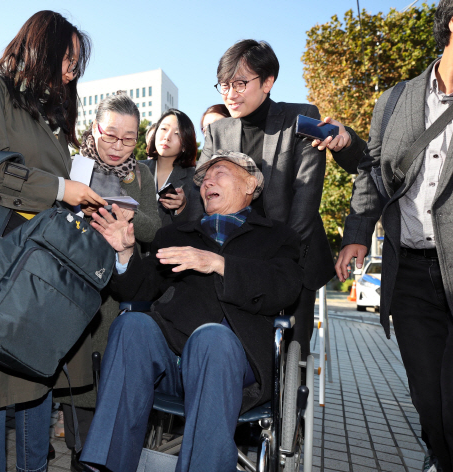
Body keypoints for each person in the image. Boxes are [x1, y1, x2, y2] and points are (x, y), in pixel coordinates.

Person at [0, 11, 105, 472]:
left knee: (36, 381)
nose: (72, 70)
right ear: (42, 48)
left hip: (34, 274)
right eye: (68, 58)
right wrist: (59, 189)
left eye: (77, 63)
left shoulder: (41, 111)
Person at [79, 150, 304, 472]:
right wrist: (126, 251)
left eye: (220, 173)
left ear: (251, 184)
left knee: (212, 338)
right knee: (131, 326)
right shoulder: (174, 234)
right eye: (203, 179)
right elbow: (136, 293)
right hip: (173, 357)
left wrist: (219, 263)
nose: (207, 181)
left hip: (235, 361)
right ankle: (107, 466)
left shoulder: (278, 237)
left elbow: (285, 287)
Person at [336, 2, 453, 469]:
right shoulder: (397, 98)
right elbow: (374, 172)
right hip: (410, 275)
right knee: (429, 404)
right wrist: (357, 232)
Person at [199, 39, 363, 355]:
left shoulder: (302, 118)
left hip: (293, 259)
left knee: (291, 355)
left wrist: (278, 261)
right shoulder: (218, 132)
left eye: (240, 84)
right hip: (234, 260)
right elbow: (203, 194)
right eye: (223, 85)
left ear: (268, 81)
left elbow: (306, 193)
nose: (230, 94)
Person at [56, 91, 161, 471]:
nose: (118, 146)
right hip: (73, 287)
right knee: (77, 390)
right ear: (95, 127)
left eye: (129, 138)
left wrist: (120, 214)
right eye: (111, 134)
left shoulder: (142, 173)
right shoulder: (74, 166)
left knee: (114, 392)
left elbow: (154, 227)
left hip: (118, 296)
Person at [141, 108, 203, 226]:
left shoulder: (195, 178)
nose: (167, 137)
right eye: (164, 129)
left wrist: (181, 208)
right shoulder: (136, 169)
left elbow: (196, 225)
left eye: (177, 133)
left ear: (185, 143)